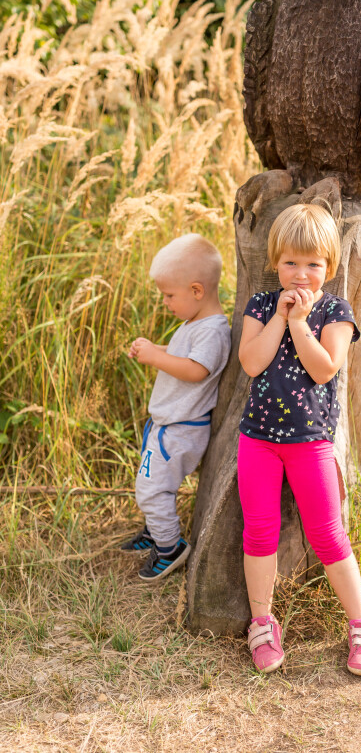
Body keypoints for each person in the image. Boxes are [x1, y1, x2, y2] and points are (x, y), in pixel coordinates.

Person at [237, 203, 361, 677]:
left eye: (313, 264)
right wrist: (280, 318)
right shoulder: (261, 306)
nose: (301, 274)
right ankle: (262, 622)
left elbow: (325, 368)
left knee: (327, 532)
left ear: (330, 267)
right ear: (276, 263)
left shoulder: (336, 311)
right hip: (258, 440)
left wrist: (300, 322)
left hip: (310, 442)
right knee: (259, 531)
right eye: (291, 263)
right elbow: (252, 363)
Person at [124, 234, 231, 583]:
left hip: (182, 430)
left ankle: (170, 548)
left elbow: (196, 369)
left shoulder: (213, 332)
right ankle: (157, 531)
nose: (165, 302)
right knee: (150, 480)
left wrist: (156, 357)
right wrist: (152, 348)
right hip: (169, 425)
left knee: (152, 488)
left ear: (197, 291)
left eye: (170, 295)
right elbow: (181, 356)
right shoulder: (195, 324)